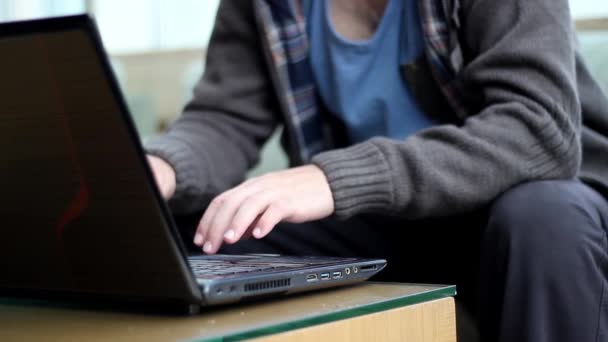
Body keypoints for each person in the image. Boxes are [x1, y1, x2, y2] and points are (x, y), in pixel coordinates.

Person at [144, 0, 608, 341]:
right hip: (387, 220)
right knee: (206, 230)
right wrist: (163, 167)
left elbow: (538, 129)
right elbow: (226, 117)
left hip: (528, 205)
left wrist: (333, 178)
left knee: (541, 217)